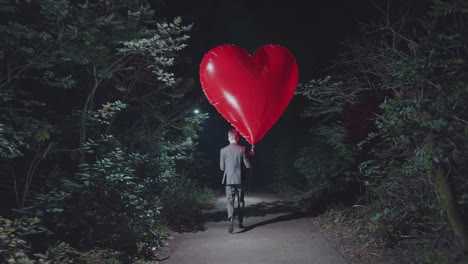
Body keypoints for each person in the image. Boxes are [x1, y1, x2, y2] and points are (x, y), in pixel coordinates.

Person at [220, 129, 251, 234]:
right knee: (240, 201)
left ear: (228, 137)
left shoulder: (223, 150)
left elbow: (221, 168)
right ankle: (240, 222)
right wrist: (251, 155)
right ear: (237, 138)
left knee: (230, 201)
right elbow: (248, 165)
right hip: (240, 179)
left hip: (228, 180)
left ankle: (231, 221)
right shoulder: (242, 148)